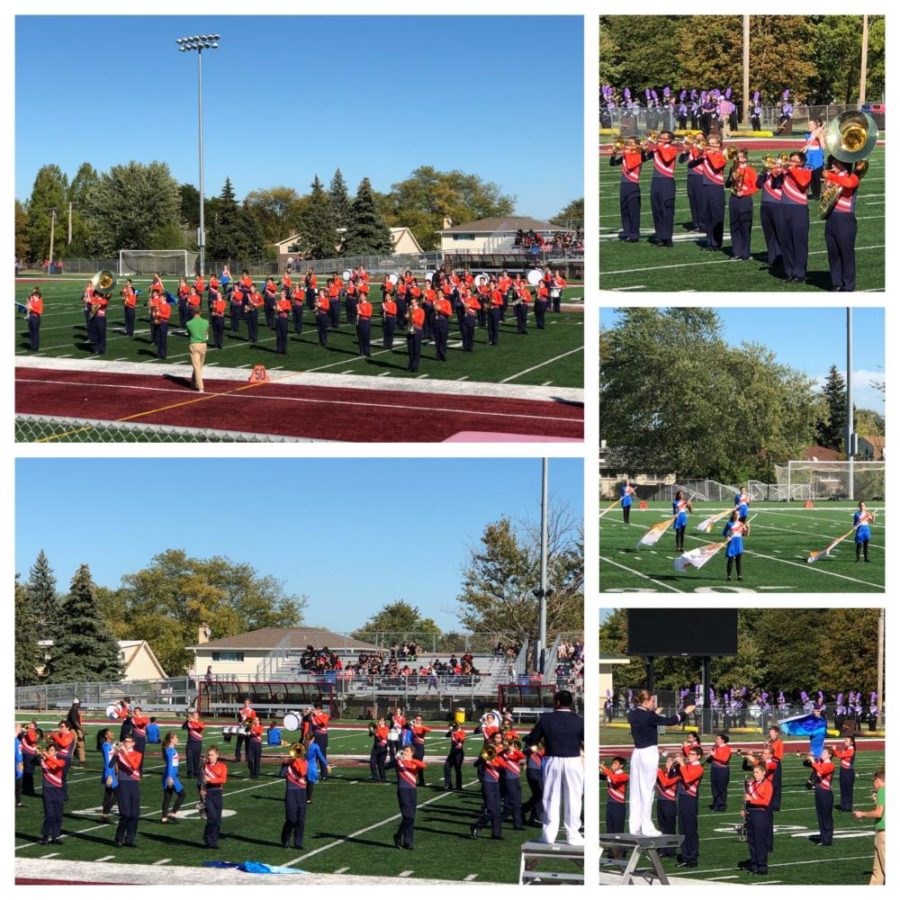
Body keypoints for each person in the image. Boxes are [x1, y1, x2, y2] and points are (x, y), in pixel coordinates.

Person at [626, 690, 696, 836]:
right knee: (648, 789)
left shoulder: (632, 714)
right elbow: (671, 721)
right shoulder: (649, 716)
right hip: (648, 752)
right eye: (652, 701)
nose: (654, 703)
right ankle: (647, 827)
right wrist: (685, 712)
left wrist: (654, 713)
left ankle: (634, 826)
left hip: (637, 753)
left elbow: (647, 718)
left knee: (635, 790)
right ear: (645, 702)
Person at [523, 689, 584, 845]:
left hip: (552, 759)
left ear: (557, 702)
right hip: (573, 760)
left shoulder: (546, 719)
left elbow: (532, 739)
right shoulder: (579, 720)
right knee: (574, 798)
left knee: (551, 797)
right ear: (570, 703)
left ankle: (549, 835)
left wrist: (528, 738)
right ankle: (573, 835)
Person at [823, 158, 861, 292]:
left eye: (836, 163)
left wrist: (830, 176)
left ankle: (848, 285)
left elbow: (849, 184)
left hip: (845, 218)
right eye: (832, 163)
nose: (833, 165)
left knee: (846, 253)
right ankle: (836, 282)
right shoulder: (831, 178)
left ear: (844, 164)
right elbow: (825, 199)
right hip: (831, 217)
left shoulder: (852, 176)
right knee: (833, 252)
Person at [778, 152, 811, 283]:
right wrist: (774, 170)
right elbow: (773, 184)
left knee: (799, 242)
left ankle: (799, 273)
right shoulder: (784, 173)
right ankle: (789, 272)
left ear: (801, 163)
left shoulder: (806, 171)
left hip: (799, 209)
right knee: (786, 242)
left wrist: (791, 169)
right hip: (784, 208)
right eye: (790, 160)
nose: (790, 162)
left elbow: (803, 184)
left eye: (794, 160)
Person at [386, 745, 426, 850]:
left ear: (412, 752)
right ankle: (398, 835)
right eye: (404, 751)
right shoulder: (399, 762)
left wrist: (410, 759)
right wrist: (396, 759)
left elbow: (423, 765)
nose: (405, 752)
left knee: (411, 818)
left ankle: (408, 842)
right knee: (408, 816)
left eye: (407, 751)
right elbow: (386, 767)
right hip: (403, 790)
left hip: (412, 790)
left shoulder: (414, 762)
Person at [645, 131, 679, 248]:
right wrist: (644, 149)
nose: (660, 138)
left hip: (667, 181)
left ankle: (667, 237)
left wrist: (657, 146)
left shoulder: (672, 149)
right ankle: (659, 237)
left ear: (669, 140)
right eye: (660, 136)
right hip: (656, 181)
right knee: (657, 210)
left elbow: (666, 159)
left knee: (667, 210)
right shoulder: (656, 149)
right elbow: (644, 159)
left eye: (663, 137)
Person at [853, 767, 885, 884]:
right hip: (881, 833)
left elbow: (879, 812)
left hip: (884, 834)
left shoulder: (882, 790)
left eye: (873, 782)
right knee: (878, 872)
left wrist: (862, 814)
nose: (873, 785)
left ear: (878, 780)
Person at [726, 149, 759, 261]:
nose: (737, 159)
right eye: (736, 157)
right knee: (734, 225)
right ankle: (736, 252)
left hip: (745, 199)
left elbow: (756, 187)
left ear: (744, 158)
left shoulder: (750, 170)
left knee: (745, 226)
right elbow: (727, 184)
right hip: (734, 198)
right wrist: (731, 178)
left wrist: (744, 192)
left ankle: (746, 252)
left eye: (739, 157)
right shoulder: (733, 169)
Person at [742, 762, 774, 875]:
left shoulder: (768, 784)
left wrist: (752, 799)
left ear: (763, 773)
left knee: (760, 841)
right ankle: (754, 864)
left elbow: (766, 802)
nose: (755, 774)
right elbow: (749, 798)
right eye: (754, 772)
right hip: (751, 813)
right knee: (751, 841)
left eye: (757, 772)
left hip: (761, 814)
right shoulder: (753, 784)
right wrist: (745, 808)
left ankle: (762, 866)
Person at [610, 137, 643, 242]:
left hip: (632, 184)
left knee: (633, 211)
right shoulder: (626, 155)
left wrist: (625, 151)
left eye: (631, 143)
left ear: (637, 145)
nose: (628, 145)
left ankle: (634, 235)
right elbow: (613, 163)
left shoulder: (638, 155)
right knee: (624, 210)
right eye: (627, 143)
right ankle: (626, 231)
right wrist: (614, 153)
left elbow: (630, 166)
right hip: (624, 184)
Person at [675, 745, 704, 867]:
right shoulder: (688, 766)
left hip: (690, 799)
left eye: (692, 754)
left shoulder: (698, 768)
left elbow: (687, 779)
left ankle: (692, 858)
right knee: (682, 828)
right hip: (682, 797)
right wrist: (675, 763)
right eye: (689, 754)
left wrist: (682, 764)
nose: (689, 756)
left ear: (698, 756)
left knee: (690, 829)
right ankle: (685, 856)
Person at [470, 738, 503, 840]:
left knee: (497, 811)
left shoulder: (498, 757)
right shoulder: (485, 757)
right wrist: (482, 758)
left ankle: (496, 834)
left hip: (496, 784)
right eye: (490, 748)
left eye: (493, 748)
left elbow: (504, 765)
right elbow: (475, 764)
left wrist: (496, 757)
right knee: (492, 810)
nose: (492, 750)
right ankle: (477, 826)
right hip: (487, 784)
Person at [113, 735, 142, 848]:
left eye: (129, 742)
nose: (126, 743)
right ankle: (119, 838)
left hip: (133, 783)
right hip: (123, 783)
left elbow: (134, 765)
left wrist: (124, 753)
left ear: (133, 743)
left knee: (134, 814)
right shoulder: (119, 754)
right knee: (125, 814)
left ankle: (129, 839)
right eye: (125, 741)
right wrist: (116, 752)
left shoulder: (137, 754)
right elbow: (110, 764)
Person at [803, 746, 835, 846]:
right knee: (820, 817)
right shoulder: (820, 762)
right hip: (819, 791)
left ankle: (828, 840)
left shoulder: (830, 765)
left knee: (826, 817)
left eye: (824, 753)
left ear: (829, 755)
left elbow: (821, 771)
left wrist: (813, 761)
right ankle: (823, 838)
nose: (822, 754)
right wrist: (808, 758)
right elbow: (806, 764)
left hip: (826, 793)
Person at [279, 745, 309, 850]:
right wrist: (284, 764)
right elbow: (281, 774)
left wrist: (296, 761)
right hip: (291, 792)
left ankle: (298, 842)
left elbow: (303, 772)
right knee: (291, 819)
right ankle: (285, 838)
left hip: (302, 792)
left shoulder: (304, 762)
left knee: (300, 819)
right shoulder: (288, 764)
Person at [38, 743, 66, 845]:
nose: (51, 751)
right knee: (50, 815)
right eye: (49, 750)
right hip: (48, 790)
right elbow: (35, 759)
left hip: (58, 790)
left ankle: (55, 836)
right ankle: (45, 836)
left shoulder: (61, 761)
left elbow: (56, 766)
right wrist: (40, 754)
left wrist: (47, 756)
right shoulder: (43, 761)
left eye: (53, 750)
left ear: (56, 752)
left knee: (58, 814)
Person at [201, 746, 228, 849]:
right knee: (212, 817)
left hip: (218, 793)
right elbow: (199, 781)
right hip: (207, 794)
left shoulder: (222, 766)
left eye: (212, 755)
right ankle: (207, 836)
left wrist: (210, 780)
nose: (210, 757)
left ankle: (213, 841)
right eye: (209, 755)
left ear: (217, 755)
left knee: (217, 820)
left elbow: (223, 779)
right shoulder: (204, 767)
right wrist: (200, 790)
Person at [655, 752, 680, 855]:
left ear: (674, 764)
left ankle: (670, 850)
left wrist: (660, 771)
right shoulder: (664, 772)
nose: (667, 763)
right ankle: (662, 849)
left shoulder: (676, 774)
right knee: (662, 826)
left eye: (669, 761)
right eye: (667, 761)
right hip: (661, 801)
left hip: (669, 802)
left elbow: (666, 782)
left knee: (669, 827)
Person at [161, 732, 186, 823]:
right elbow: (170, 765)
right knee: (182, 794)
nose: (177, 739)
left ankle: (164, 818)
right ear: (171, 739)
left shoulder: (170, 749)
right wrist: (170, 777)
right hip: (171, 776)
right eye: (176, 737)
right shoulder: (170, 750)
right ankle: (173, 814)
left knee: (168, 796)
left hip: (170, 776)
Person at [600, 757, 629, 833]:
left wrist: (605, 769)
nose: (613, 765)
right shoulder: (610, 774)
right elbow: (600, 776)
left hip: (618, 805)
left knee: (618, 830)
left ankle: (619, 845)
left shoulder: (624, 776)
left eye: (615, 763)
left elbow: (615, 780)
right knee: (609, 829)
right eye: (613, 763)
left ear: (621, 766)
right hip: (610, 804)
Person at [185, 307, 210, 392]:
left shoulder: (189, 323)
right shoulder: (206, 322)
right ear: (200, 312)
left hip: (194, 344)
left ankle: (200, 386)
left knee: (197, 366)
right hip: (203, 344)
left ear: (193, 313)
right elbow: (206, 333)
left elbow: (189, 333)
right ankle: (193, 383)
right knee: (199, 366)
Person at [707, 732, 733, 811]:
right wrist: (710, 756)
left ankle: (722, 805)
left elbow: (724, 760)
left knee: (722, 788)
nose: (716, 740)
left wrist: (714, 755)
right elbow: (711, 760)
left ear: (723, 740)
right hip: (714, 769)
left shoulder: (727, 749)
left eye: (718, 739)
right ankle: (716, 804)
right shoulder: (715, 747)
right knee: (714, 787)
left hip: (722, 770)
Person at [832, 736, 856, 811]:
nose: (845, 741)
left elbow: (840, 755)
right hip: (843, 770)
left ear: (851, 742)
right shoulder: (845, 748)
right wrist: (832, 751)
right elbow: (839, 754)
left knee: (848, 790)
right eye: (844, 739)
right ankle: (843, 805)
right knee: (843, 788)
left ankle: (848, 807)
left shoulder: (851, 750)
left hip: (848, 772)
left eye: (847, 740)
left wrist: (834, 750)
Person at [724, 511, 749, 582]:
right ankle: (729, 576)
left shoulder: (741, 524)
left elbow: (745, 534)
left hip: (739, 543)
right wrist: (727, 537)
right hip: (732, 543)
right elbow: (724, 533)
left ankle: (739, 576)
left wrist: (748, 527)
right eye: (737, 514)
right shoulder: (729, 524)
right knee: (730, 560)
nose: (739, 515)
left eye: (739, 514)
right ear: (733, 515)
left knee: (738, 560)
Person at [99, 729, 118, 823]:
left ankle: (103, 817)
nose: (112, 733)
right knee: (117, 794)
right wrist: (109, 775)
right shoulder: (106, 746)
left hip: (111, 771)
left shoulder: (110, 745)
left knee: (108, 794)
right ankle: (105, 814)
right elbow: (107, 761)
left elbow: (113, 758)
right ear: (106, 736)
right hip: (109, 772)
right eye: (110, 732)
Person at [182, 710, 205, 782]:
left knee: (196, 759)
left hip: (197, 743)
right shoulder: (189, 723)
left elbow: (201, 727)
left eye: (195, 714)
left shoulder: (200, 723)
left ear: (198, 716)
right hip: (189, 743)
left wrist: (193, 721)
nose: (194, 715)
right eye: (193, 714)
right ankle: (190, 774)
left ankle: (196, 773)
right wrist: (187, 720)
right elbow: (183, 727)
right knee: (189, 759)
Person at [443, 722, 466, 790]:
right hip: (452, 752)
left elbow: (461, 739)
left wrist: (455, 732)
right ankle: (448, 784)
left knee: (457, 769)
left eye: (453, 727)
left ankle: (459, 786)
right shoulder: (452, 732)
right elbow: (446, 735)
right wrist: (451, 731)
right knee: (446, 767)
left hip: (458, 753)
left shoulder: (461, 732)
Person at [407, 298, 424, 372]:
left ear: (417, 303)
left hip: (417, 330)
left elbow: (421, 322)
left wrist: (413, 318)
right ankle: (410, 365)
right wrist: (407, 316)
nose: (412, 304)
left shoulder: (421, 310)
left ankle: (415, 366)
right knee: (410, 349)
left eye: (413, 302)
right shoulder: (410, 310)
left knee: (416, 349)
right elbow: (406, 320)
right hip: (410, 330)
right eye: (411, 302)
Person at [371, 717, 389, 783]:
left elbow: (383, 736)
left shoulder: (386, 728)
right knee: (372, 763)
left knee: (380, 764)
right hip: (375, 747)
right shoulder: (376, 728)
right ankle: (375, 778)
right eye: (379, 720)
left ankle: (383, 778)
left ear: (384, 722)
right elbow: (370, 734)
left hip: (382, 748)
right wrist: (371, 728)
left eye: (382, 720)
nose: (380, 721)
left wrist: (377, 729)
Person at [274, 290, 291, 355]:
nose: (282, 295)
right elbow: (275, 311)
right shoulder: (278, 302)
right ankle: (278, 350)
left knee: (284, 335)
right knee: (278, 335)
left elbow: (289, 308)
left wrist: (281, 308)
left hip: (284, 319)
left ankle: (284, 349)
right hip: (278, 319)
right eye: (281, 294)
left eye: (283, 294)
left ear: (285, 295)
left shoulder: (287, 301)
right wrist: (275, 309)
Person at [357, 292, 373, 357]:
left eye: (363, 296)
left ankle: (367, 351)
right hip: (360, 322)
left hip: (366, 322)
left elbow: (369, 314)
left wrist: (361, 313)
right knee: (360, 337)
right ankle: (361, 352)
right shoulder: (358, 305)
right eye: (361, 296)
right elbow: (357, 314)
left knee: (366, 337)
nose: (362, 297)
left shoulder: (369, 304)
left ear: (365, 297)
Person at [15, 723, 24, 808]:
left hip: (19, 764)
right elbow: (16, 757)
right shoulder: (14, 740)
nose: (21, 728)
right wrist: (19, 770)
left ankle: (18, 802)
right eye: (20, 727)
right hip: (17, 765)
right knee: (18, 784)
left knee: (19, 785)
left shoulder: (17, 740)